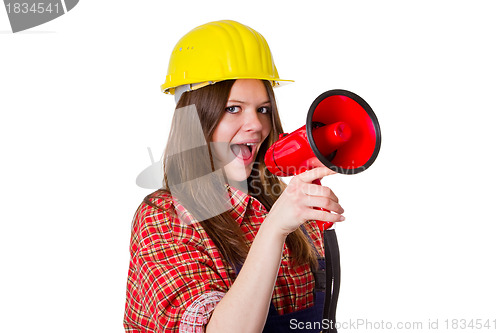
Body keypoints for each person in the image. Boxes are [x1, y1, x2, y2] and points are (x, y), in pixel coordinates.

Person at [124, 20, 344, 333]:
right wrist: (275, 229)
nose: (256, 125)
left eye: (263, 110)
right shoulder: (165, 218)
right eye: (233, 108)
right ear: (195, 118)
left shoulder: (286, 209)